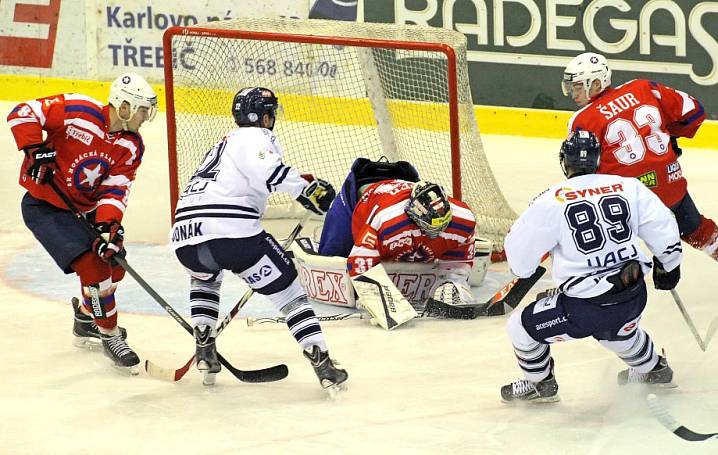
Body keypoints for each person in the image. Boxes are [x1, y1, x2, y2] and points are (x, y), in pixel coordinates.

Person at [169, 87, 348, 390]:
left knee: (205, 278)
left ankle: (204, 349)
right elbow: (269, 170)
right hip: (232, 235)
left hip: (185, 238)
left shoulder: (221, 145)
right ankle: (323, 363)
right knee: (289, 292)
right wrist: (306, 192)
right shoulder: (255, 137)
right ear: (265, 116)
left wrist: (302, 187)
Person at [562, 52, 718, 292]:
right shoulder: (643, 88)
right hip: (670, 183)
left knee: (605, 240)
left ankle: (610, 301)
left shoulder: (582, 119)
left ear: (596, 83)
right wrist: (671, 135)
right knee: (697, 229)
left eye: (577, 87)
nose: (573, 93)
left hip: (630, 201)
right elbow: (694, 112)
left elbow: (583, 171)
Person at [501, 130, 683, 402]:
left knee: (520, 327)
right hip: (633, 294)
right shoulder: (628, 186)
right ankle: (654, 369)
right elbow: (664, 227)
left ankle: (540, 384)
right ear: (598, 159)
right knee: (617, 333)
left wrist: (523, 269)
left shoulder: (551, 199)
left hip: (586, 306)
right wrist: (669, 264)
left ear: (564, 162)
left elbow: (520, 261)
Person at [6, 73, 157, 372]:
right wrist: (36, 151)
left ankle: (86, 318)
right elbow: (22, 112)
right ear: (124, 107)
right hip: (45, 206)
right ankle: (109, 334)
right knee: (93, 266)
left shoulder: (131, 146)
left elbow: (115, 189)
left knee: (114, 263)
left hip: (84, 210)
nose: (145, 117)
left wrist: (107, 226)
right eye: (142, 110)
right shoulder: (79, 110)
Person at [317, 157, 479, 319]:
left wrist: (455, 278)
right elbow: (359, 260)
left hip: (397, 198)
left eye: (442, 227)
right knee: (332, 253)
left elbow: (461, 246)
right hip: (360, 203)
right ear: (412, 213)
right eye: (429, 228)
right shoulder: (388, 220)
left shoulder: (463, 217)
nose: (435, 234)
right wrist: (371, 293)